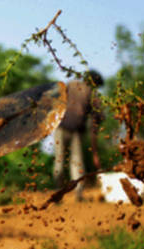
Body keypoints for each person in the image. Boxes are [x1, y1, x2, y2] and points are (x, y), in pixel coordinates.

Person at [52, 70, 104, 202]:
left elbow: (56, 100)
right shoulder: (92, 95)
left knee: (59, 161)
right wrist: (95, 152)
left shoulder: (71, 84)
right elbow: (96, 122)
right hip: (74, 129)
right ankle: (78, 194)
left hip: (61, 126)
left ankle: (59, 192)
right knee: (77, 163)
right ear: (94, 83)